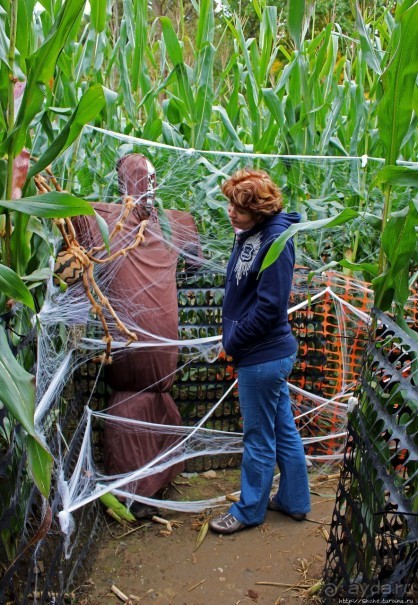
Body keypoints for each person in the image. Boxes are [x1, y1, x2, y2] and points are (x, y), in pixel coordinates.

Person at [209, 168, 311, 535]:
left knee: (258, 437)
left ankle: (249, 509)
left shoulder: (276, 241)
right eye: (231, 204)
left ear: (260, 209)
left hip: (262, 356)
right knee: (282, 429)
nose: (231, 213)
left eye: (239, 207)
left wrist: (232, 342)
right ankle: (294, 501)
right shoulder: (252, 232)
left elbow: (269, 308)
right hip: (263, 355)